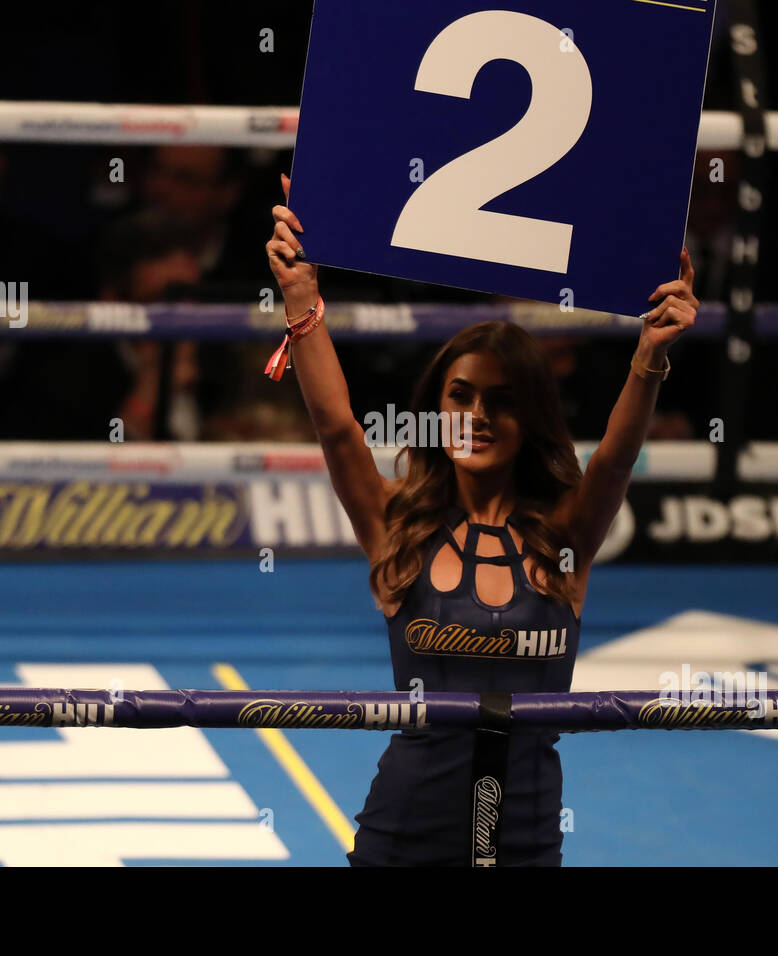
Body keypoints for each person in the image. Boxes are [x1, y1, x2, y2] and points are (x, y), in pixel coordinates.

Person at [265, 174, 697, 865]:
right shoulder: (394, 527)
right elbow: (338, 428)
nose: (477, 416)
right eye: (460, 396)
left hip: (525, 837)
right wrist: (300, 299)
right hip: (404, 832)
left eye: (502, 400)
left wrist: (649, 358)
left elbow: (615, 458)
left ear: (530, 419)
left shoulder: (567, 538)